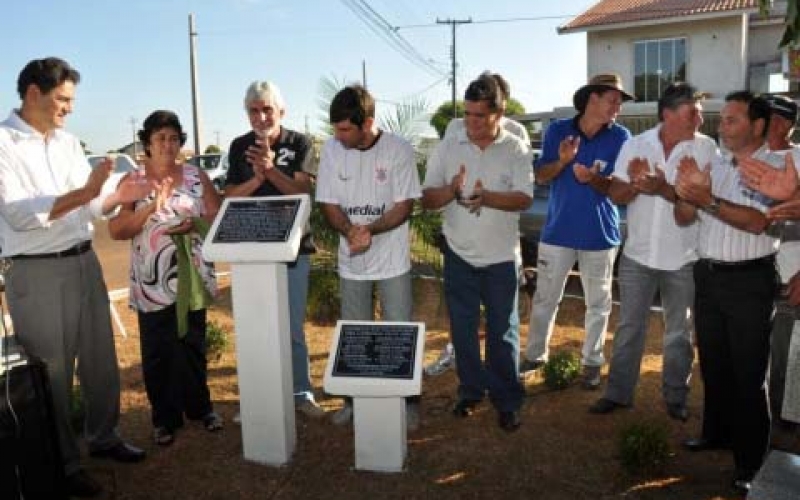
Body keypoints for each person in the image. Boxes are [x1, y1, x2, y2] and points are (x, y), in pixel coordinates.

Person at [0, 57, 148, 498]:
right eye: (62, 99)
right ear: (32, 94)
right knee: (54, 373)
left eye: (71, 101)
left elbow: (88, 206)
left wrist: (117, 196)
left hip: (85, 261)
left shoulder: (66, 142)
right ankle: (63, 463)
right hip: (37, 271)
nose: (68, 109)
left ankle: (103, 436)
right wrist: (85, 192)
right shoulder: (3, 144)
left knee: (101, 358)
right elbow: (20, 214)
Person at [584, 83, 717, 420]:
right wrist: (633, 183)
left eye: (699, 113)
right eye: (692, 112)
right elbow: (616, 195)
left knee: (679, 333)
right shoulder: (635, 144)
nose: (699, 119)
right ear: (668, 114)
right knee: (629, 328)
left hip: (684, 257)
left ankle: (675, 397)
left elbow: (702, 204)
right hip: (638, 255)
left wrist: (662, 188)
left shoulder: (707, 150)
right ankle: (618, 394)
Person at [674, 91, 781, 495]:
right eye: (723, 118)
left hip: (749, 281)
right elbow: (685, 217)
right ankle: (716, 434)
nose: (723, 125)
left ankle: (750, 463)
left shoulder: (775, 168)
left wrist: (707, 199)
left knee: (749, 374)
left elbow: (757, 222)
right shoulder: (714, 165)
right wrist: (685, 195)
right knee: (714, 365)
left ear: (757, 126)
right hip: (709, 276)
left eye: (733, 119)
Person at [421, 72, 533, 431]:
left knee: (503, 331)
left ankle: (507, 399)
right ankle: (470, 391)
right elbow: (426, 199)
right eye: (467, 114)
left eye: (479, 116)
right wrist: (451, 191)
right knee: (464, 329)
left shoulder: (515, 148)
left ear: (498, 114)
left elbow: (524, 198)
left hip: (501, 257)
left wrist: (488, 197)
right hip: (459, 255)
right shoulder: (449, 147)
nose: (471, 123)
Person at [108, 110, 223, 446]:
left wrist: (196, 225)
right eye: (160, 138)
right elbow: (117, 229)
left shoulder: (195, 175)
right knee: (159, 350)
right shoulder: (132, 182)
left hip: (190, 274)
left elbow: (216, 215)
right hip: (151, 280)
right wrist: (148, 209)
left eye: (173, 138)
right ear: (147, 143)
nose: (168, 145)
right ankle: (165, 419)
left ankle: (201, 409)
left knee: (192, 344)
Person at [315, 84, 422, 429]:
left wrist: (370, 230)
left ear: (368, 122)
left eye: (345, 129)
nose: (338, 135)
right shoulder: (332, 150)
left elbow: (405, 206)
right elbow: (328, 203)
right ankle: (353, 403)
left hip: (392, 260)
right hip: (351, 261)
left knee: (399, 333)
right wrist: (349, 231)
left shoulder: (398, 150)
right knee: (353, 335)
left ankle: (407, 405)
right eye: (335, 128)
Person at [521, 73, 633, 389]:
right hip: (557, 233)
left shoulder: (621, 137)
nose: (618, 107)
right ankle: (534, 356)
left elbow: (619, 189)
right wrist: (562, 161)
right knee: (545, 298)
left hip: (600, 235)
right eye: (613, 100)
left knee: (599, 303)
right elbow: (541, 176)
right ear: (592, 99)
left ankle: (592, 362)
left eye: (620, 102)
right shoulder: (557, 130)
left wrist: (592, 179)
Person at [224, 80, 324, 419]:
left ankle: (300, 392)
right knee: (256, 326)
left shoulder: (299, 142)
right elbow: (229, 197)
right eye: (254, 110)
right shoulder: (239, 146)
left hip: (293, 250)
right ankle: (258, 395)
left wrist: (270, 170)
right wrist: (255, 178)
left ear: (281, 111)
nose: (261, 116)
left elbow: (302, 192)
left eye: (267, 109)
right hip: (251, 250)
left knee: (292, 327)